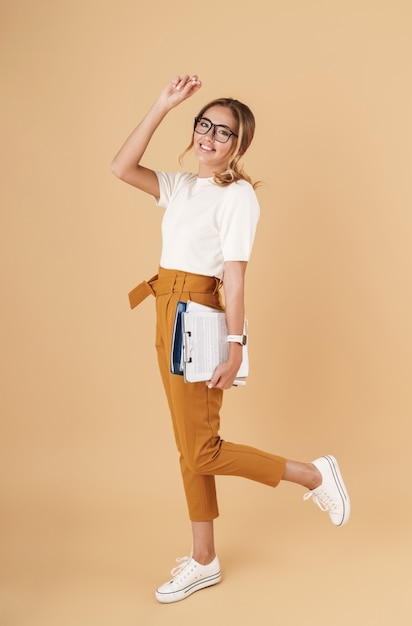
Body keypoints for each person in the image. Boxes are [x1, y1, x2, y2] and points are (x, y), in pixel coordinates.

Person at [111, 74, 350, 604]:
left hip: (198, 316)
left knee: (203, 448)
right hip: (166, 310)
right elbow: (121, 167)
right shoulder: (181, 186)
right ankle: (204, 560)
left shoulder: (237, 195)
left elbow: (236, 278)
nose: (209, 137)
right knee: (189, 450)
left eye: (224, 132)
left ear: (238, 146)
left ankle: (311, 474)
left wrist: (236, 344)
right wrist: (160, 105)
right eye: (203, 125)